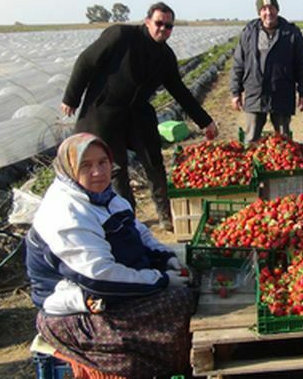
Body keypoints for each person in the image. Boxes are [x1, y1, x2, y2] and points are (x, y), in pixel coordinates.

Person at [25, 133, 193, 377]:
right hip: (78, 310)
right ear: (69, 168)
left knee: (190, 290)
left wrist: (165, 257)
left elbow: (138, 232)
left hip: (109, 292)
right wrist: (162, 280)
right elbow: (100, 277)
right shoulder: (65, 212)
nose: (98, 172)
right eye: (86, 165)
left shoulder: (104, 196)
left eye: (102, 162)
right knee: (180, 305)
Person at [61, 2, 218, 231]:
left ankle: (165, 214)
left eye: (168, 26)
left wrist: (205, 121)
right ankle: (129, 218)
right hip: (106, 110)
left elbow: (180, 90)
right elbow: (86, 61)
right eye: (159, 23)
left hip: (137, 111)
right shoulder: (121, 36)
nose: (163, 29)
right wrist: (71, 98)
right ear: (147, 21)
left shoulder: (165, 56)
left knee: (153, 160)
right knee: (116, 168)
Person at [230, 0, 303, 143]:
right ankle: (253, 166)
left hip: (282, 92)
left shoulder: (291, 33)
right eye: (264, 9)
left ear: (277, 10)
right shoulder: (249, 33)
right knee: (251, 138)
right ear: (259, 12)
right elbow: (238, 63)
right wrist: (236, 92)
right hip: (255, 92)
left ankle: (282, 166)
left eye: (272, 8)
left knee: (282, 140)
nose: (268, 13)